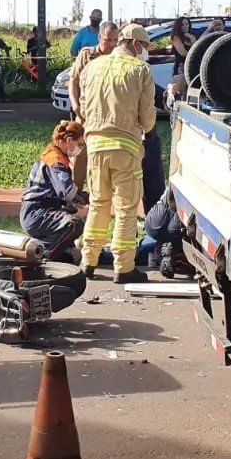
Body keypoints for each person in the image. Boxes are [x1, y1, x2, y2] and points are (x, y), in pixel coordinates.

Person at [77, 23, 155, 284]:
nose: (144, 52)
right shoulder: (140, 70)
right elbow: (148, 118)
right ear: (134, 44)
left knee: (98, 204)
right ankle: (124, 267)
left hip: (95, 146)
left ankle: (88, 261)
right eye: (144, 46)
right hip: (126, 148)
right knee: (126, 209)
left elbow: (85, 108)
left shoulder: (92, 67)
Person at [20, 121, 90, 263]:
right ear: (69, 140)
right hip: (37, 212)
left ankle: (61, 252)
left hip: (40, 210)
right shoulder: (56, 161)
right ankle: (42, 256)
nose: (81, 149)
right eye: (80, 144)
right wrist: (89, 197)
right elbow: (67, 193)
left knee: (67, 254)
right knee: (74, 224)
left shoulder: (55, 155)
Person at [67, 21, 119, 186]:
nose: (111, 44)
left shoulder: (118, 58)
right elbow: (73, 81)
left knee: (104, 158)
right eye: (108, 40)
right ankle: (74, 194)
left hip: (108, 117)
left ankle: (99, 196)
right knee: (79, 154)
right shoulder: (86, 54)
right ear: (99, 37)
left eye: (115, 40)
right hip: (85, 114)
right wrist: (75, 105)